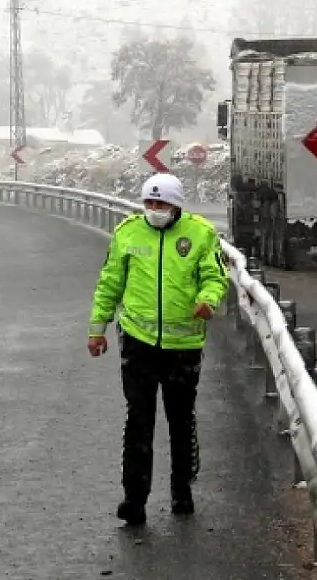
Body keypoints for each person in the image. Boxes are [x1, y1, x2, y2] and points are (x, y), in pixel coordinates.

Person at [86, 172, 229, 526]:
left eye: (161, 204)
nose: (154, 210)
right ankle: (134, 499)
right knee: (138, 421)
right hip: (138, 343)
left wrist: (208, 301)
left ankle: (182, 489)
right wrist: (97, 329)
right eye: (149, 203)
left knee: (180, 422)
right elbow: (110, 283)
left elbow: (214, 277)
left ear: (176, 205)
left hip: (184, 346)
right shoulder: (127, 233)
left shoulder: (200, 234)